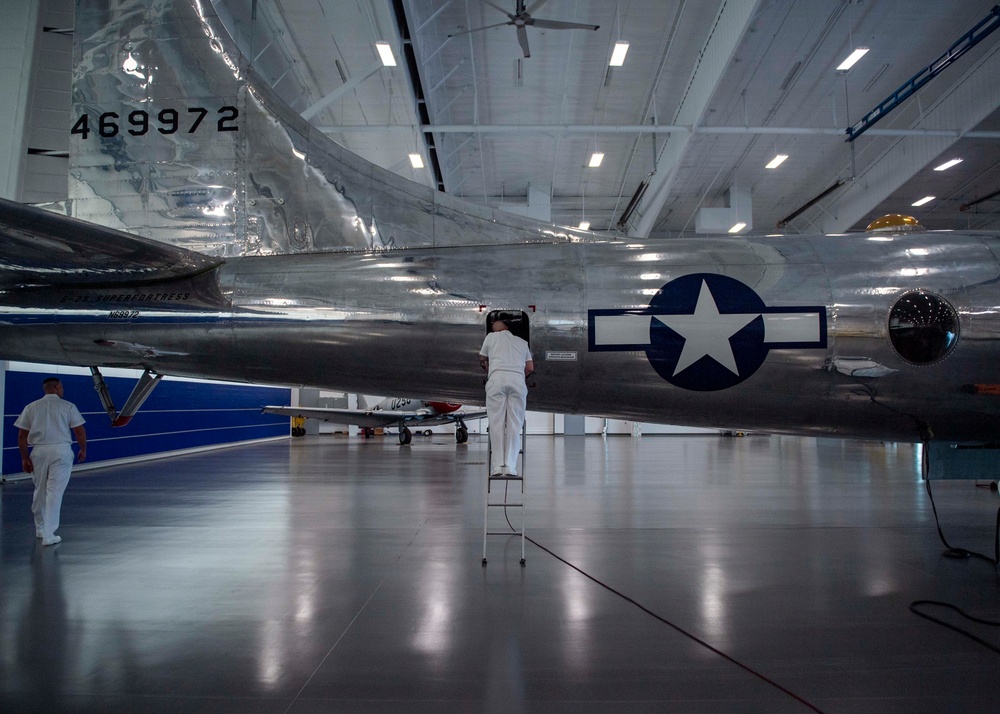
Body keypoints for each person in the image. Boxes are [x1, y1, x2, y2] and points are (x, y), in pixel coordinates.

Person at [15, 377, 87, 546]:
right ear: (56, 387)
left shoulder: (31, 407)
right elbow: (79, 431)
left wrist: (24, 457)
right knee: (55, 491)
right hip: (61, 450)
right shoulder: (68, 406)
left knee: (40, 489)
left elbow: (21, 436)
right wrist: (83, 449)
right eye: (61, 386)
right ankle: (49, 533)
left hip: (38, 451)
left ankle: (40, 528)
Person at [479, 320, 533, 477]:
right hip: (517, 380)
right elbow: (530, 367)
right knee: (515, 424)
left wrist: (491, 371)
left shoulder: (490, 337)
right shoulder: (522, 343)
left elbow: (482, 359)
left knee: (496, 423)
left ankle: (497, 467)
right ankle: (510, 466)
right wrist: (519, 374)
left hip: (497, 379)